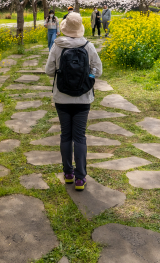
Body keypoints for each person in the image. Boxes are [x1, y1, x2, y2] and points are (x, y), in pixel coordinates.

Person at [45, 12, 102, 191]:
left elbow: (48, 71)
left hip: (62, 98)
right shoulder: (88, 46)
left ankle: (68, 174)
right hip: (83, 98)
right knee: (79, 137)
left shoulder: (57, 46)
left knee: (65, 136)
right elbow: (98, 70)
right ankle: (80, 178)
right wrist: (87, 77)